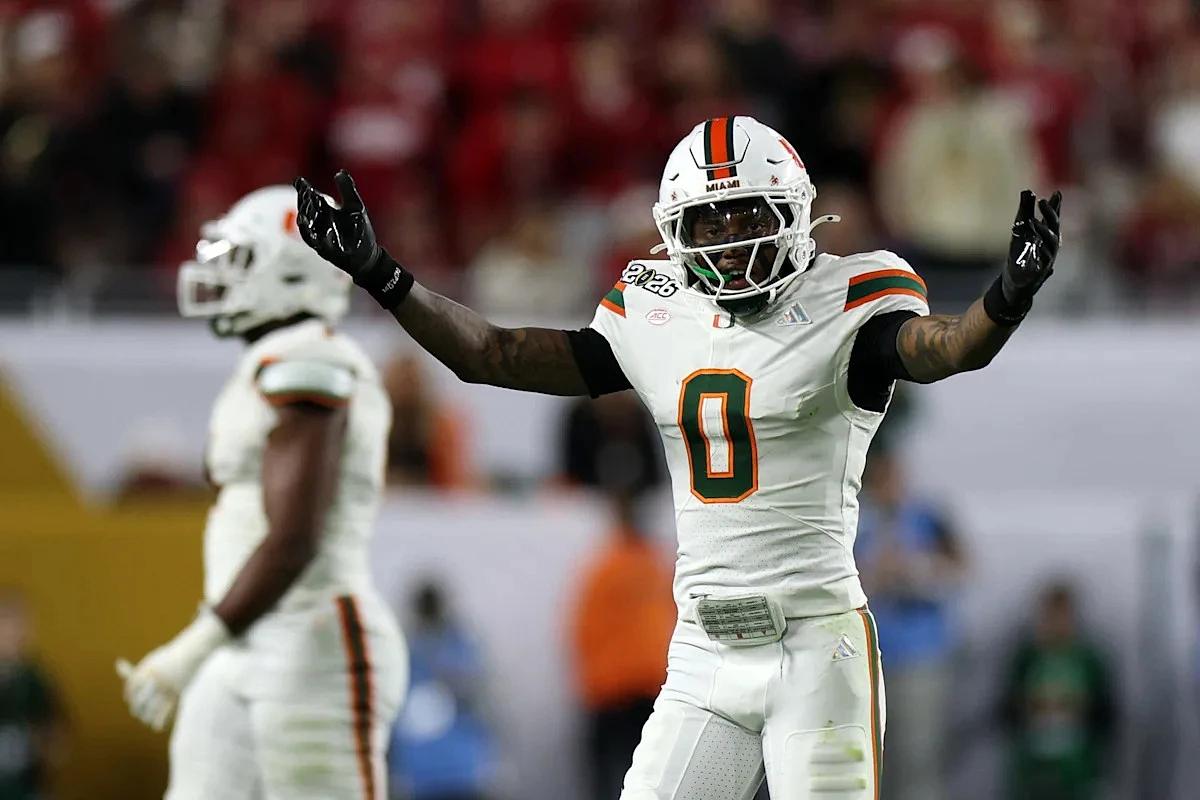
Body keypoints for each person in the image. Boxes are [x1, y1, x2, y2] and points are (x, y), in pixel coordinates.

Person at [294, 115, 1062, 800]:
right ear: (674, 229)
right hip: (704, 648)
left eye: (746, 214)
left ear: (794, 212)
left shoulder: (850, 297)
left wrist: (1007, 297)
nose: (729, 239)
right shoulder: (654, 309)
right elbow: (493, 354)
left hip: (816, 644)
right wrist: (382, 274)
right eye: (709, 219)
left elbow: (947, 348)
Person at [115, 186, 408, 799]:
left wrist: (192, 647)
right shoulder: (272, 360)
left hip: (312, 645)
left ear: (295, 270)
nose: (222, 273)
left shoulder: (313, 358)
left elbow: (294, 538)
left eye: (242, 258)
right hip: (242, 638)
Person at [855, 448, 967, 800]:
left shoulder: (929, 517)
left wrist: (917, 570)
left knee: (919, 756)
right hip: (868, 659)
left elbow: (961, 569)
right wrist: (875, 574)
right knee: (868, 758)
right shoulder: (854, 520)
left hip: (921, 656)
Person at [569, 492, 676, 800]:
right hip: (648, 687)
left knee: (610, 778)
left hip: (615, 690)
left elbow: (582, 630)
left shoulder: (604, 568)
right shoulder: (655, 566)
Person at [999, 582, 1117, 800]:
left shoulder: (1088, 661)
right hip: (1031, 768)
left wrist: (1075, 709)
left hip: (1077, 768)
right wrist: (1032, 708)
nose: (1055, 623)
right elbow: (1006, 711)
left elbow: (1106, 714)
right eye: (1049, 616)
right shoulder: (1027, 659)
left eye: (1061, 616)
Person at [0, 590, 65, 800]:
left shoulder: (35, 681)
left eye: (15, 626)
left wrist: (44, 744)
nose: (8, 634)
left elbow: (59, 743)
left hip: (26, 790)